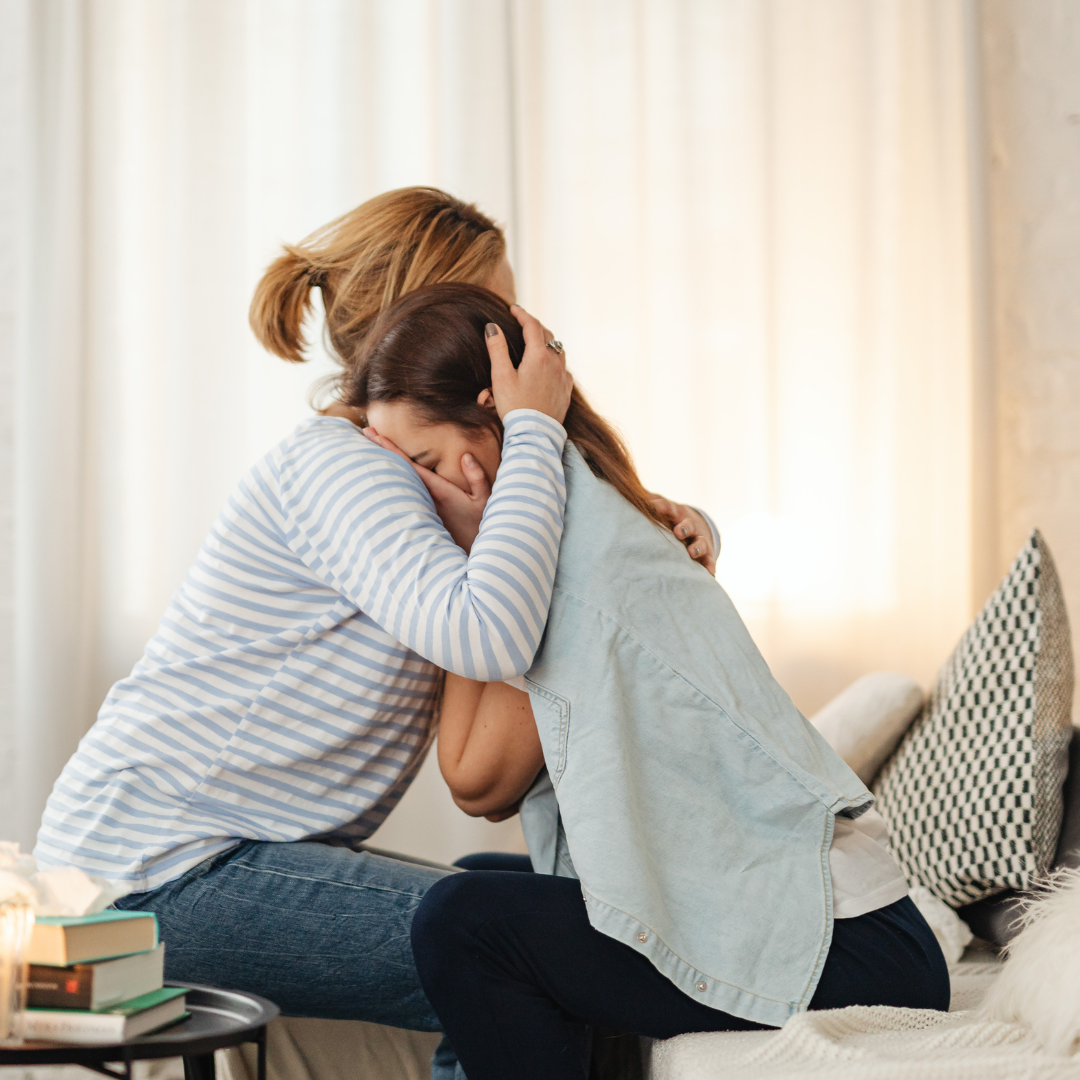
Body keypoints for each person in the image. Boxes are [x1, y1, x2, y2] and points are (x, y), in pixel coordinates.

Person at [32, 187, 715, 1032]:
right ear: (422, 325)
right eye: (497, 317)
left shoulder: (419, 473)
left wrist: (683, 524)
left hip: (201, 859)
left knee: (504, 915)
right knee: (505, 947)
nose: (520, 337)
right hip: (150, 873)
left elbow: (555, 565)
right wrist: (536, 429)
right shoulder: (345, 469)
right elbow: (490, 632)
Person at [344, 282, 951, 1080]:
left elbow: (476, 780)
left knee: (464, 921)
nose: (414, 497)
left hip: (851, 945)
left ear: (496, 422)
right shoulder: (570, 514)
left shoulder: (573, 550)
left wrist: (473, 555)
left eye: (423, 465)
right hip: (826, 926)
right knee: (479, 883)